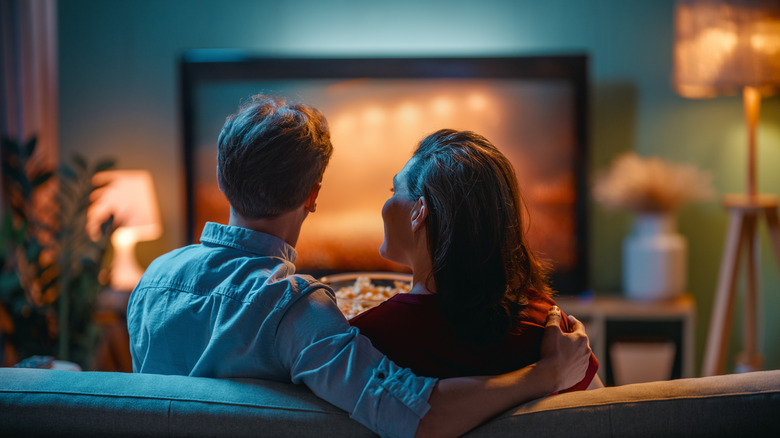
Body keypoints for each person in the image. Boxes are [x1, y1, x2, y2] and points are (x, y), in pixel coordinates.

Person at [127, 95, 594, 438]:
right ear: (313, 196)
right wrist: (546, 374)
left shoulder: (151, 284)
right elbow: (417, 416)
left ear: (222, 178)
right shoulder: (298, 312)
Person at [350, 129, 603, 390]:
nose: (387, 202)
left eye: (394, 190)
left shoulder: (367, 337)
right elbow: (601, 412)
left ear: (419, 212)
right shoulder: (550, 329)